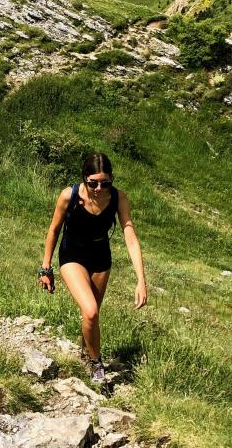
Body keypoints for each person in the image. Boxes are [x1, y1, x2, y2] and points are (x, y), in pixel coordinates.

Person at [38, 152, 147, 385]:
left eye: (105, 183)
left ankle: (84, 353)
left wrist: (141, 280)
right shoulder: (70, 195)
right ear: (84, 178)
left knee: (92, 318)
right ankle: (97, 364)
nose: (99, 188)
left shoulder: (118, 198)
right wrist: (45, 268)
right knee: (90, 311)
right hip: (72, 255)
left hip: (100, 258)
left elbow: (130, 236)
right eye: (93, 183)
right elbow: (54, 230)